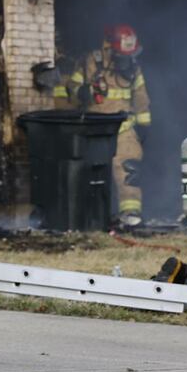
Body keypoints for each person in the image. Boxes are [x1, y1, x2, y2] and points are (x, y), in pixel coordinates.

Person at [65, 25, 153, 227]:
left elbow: (141, 98)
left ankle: (131, 215)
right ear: (110, 48)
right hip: (95, 130)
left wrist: (144, 126)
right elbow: (71, 88)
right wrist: (83, 92)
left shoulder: (134, 67)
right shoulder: (91, 63)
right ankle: (88, 216)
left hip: (124, 129)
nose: (126, 58)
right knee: (90, 171)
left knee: (128, 169)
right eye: (122, 54)